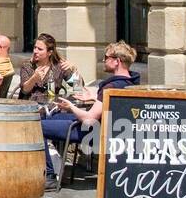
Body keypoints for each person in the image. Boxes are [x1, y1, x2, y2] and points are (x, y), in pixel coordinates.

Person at [42, 40, 139, 189]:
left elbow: (89, 118)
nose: (103, 61)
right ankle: (56, 168)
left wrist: (71, 107)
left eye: (106, 57)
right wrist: (94, 99)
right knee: (50, 117)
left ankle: (49, 176)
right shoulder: (130, 84)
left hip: (93, 132)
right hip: (114, 130)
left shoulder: (111, 86)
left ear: (117, 61)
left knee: (37, 127)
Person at [14, 33, 83, 102]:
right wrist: (34, 78)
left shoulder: (59, 66)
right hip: (29, 107)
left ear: (49, 53)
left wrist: (74, 70)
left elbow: (78, 88)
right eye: (35, 47)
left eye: (40, 49)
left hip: (51, 107)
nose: (35, 51)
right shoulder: (28, 65)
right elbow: (25, 90)